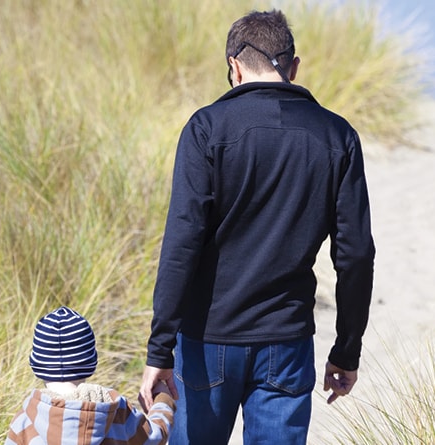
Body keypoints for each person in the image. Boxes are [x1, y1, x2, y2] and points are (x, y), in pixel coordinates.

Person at [137, 9, 375, 444]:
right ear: (294, 67)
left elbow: (182, 242)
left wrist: (159, 350)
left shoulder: (206, 128)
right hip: (287, 343)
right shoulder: (338, 137)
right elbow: (356, 254)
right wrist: (347, 349)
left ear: (235, 66)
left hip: (208, 340)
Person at [8, 307, 179, 445]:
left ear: (36, 364)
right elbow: (155, 437)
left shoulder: (25, 420)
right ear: (91, 361)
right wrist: (162, 400)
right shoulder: (117, 411)